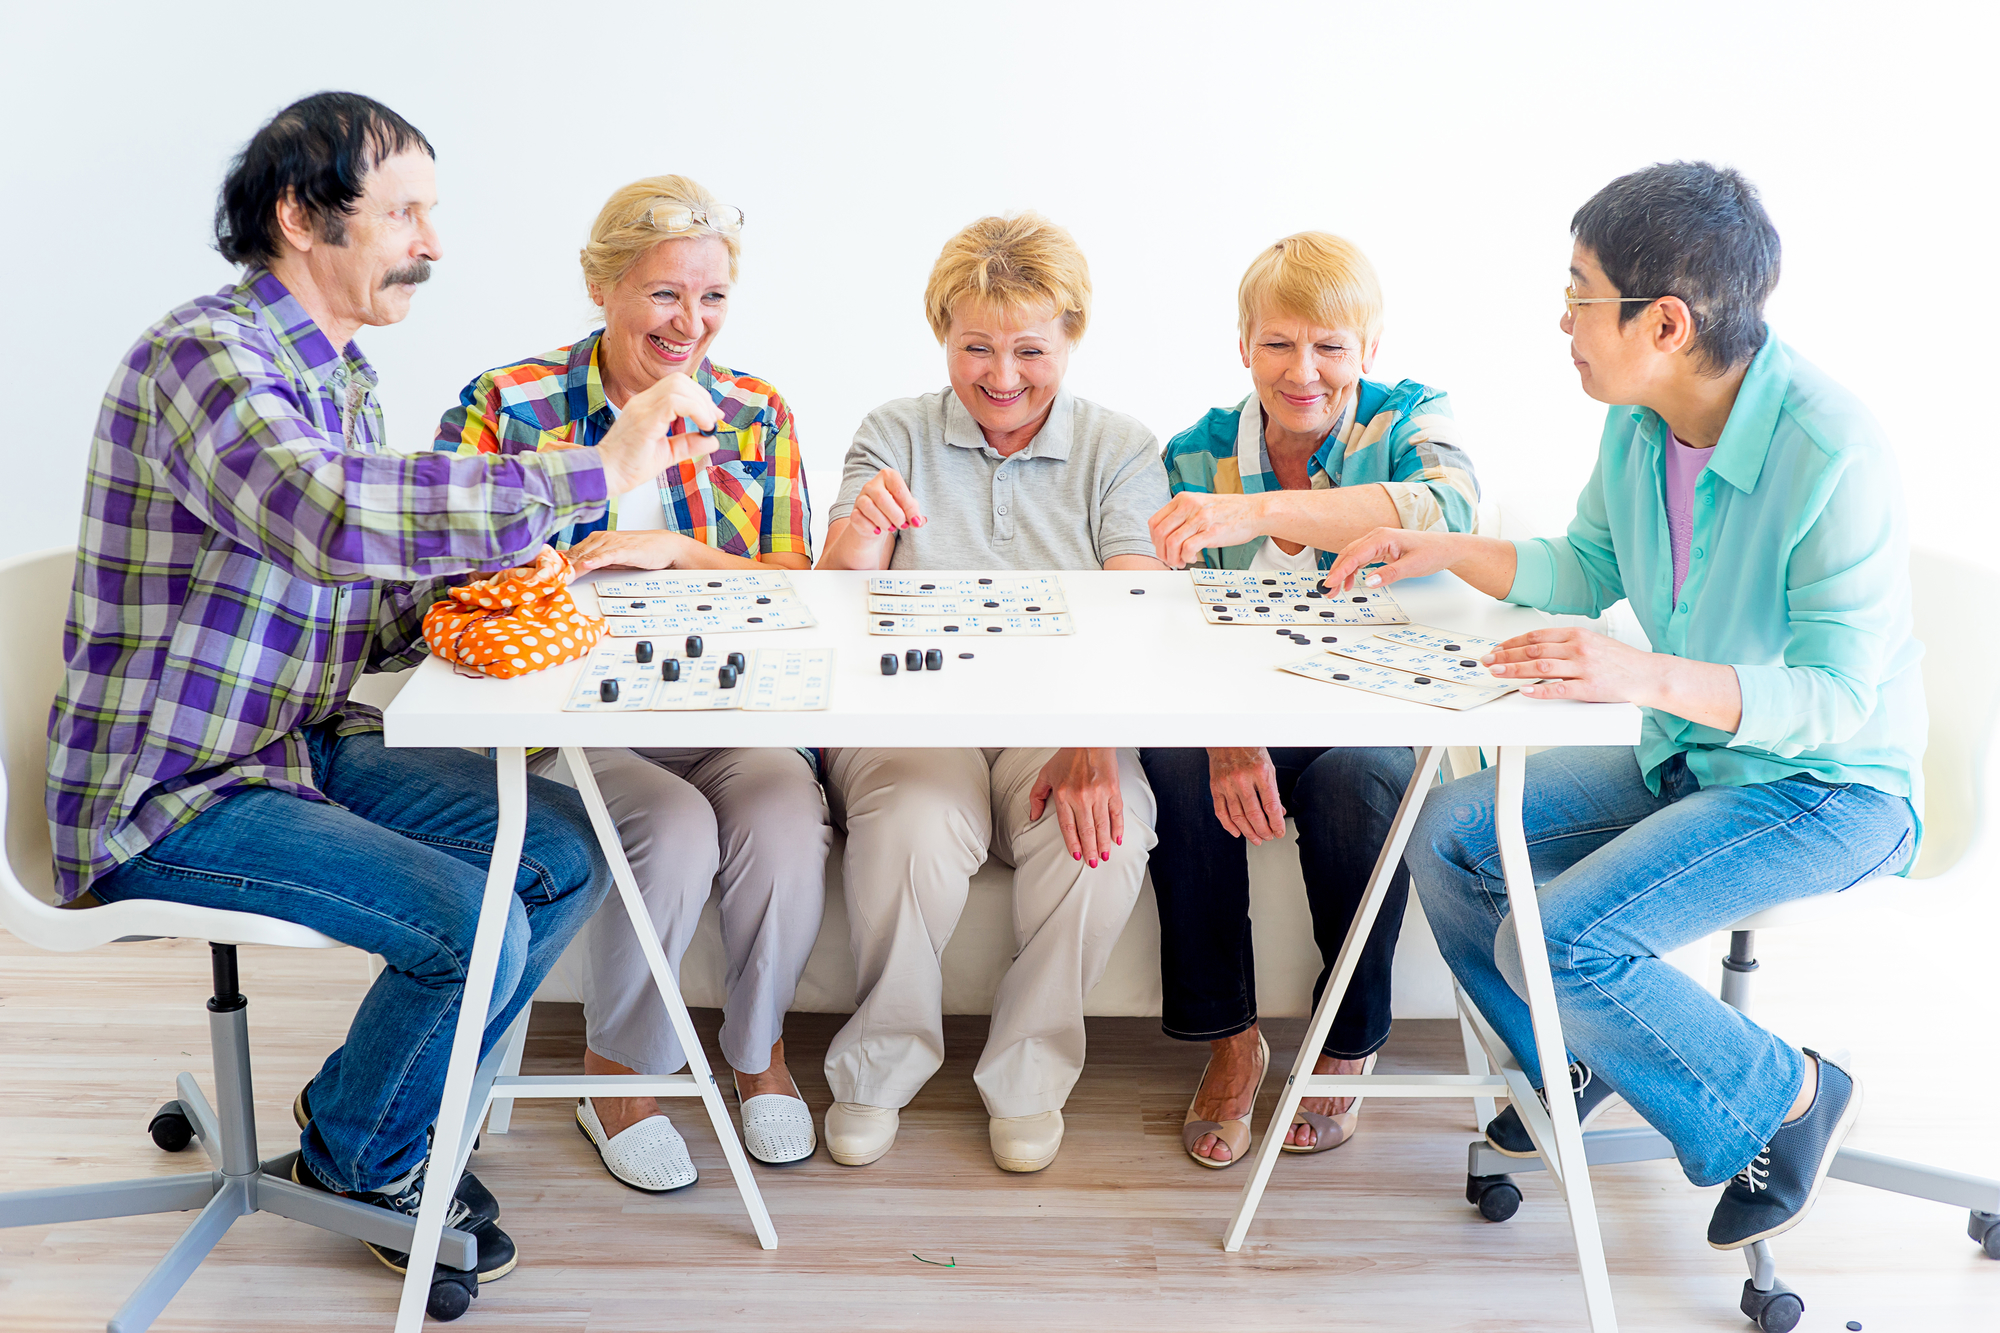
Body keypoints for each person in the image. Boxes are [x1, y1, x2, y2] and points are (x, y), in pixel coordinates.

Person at [49, 94, 718, 1287]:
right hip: (171, 788)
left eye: (431, 213)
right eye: (406, 211)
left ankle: (356, 1124)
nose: (433, 243)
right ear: (304, 216)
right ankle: (365, 1161)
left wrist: (512, 579)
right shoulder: (204, 359)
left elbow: (364, 590)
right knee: (473, 922)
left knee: (561, 849)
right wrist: (591, 471)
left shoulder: (341, 376)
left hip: (291, 744)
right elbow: (332, 517)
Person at [1327, 161, 1922, 1252]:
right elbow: (1586, 558)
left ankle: (1786, 1095)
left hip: (1828, 788)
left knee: (1555, 940)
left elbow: (1839, 699)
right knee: (1451, 836)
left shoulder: (1829, 450)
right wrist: (1443, 548)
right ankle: (1577, 1058)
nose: (1560, 320)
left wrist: (1639, 675)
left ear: (1662, 322)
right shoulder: (1640, 421)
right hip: (1696, 756)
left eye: (1577, 294)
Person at [436, 176, 826, 1183]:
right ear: (603, 285)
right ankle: (619, 1071)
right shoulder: (505, 404)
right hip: (567, 715)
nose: (689, 322)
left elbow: (793, 578)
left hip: (715, 699)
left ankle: (758, 1053)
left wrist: (674, 550)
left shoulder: (755, 411)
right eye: (663, 294)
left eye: (711, 299)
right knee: (674, 823)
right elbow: (441, 574)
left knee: (785, 803)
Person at [815, 212, 1170, 1173]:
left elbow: (1136, 606)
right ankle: (879, 1065)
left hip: (1062, 721)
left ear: (1071, 339)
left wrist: (1096, 741)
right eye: (976, 347)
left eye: (1029, 349)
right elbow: (837, 604)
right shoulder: (893, 431)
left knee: (1103, 832)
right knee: (912, 822)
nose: (1002, 376)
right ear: (943, 336)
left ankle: (1028, 1076)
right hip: (909, 715)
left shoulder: (1121, 447)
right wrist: (857, 538)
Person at [1140, 232, 1482, 1166]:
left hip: (1369, 715)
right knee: (1176, 761)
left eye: (1330, 346)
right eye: (1279, 344)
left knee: (1360, 780)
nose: (1304, 372)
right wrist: (1226, 734)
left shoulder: (1411, 417)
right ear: (1243, 347)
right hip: (1242, 706)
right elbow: (1173, 622)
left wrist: (1259, 513)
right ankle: (1229, 1040)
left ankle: (1349, 1037)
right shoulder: (1194, 452)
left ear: (1367, 349)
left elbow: (1448, 512)